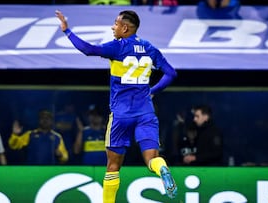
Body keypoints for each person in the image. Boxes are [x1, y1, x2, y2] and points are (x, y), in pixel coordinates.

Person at [55, 9, 178, 201]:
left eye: (116, 24)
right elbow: (171, 74)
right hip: (146, 113)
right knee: (152, 159)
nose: (113, 27)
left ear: (125, 28)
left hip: (121, 115)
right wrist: (152, 91)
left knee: (113, 166)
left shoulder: (118, 47)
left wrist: (67, 31)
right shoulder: (150, 48)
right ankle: (162, 168)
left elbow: (88, 49)